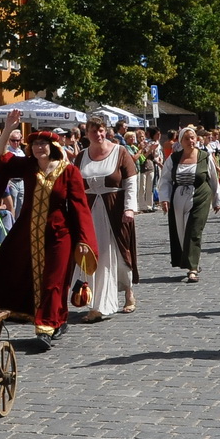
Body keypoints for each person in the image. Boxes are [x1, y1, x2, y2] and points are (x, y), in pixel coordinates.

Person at [0, 112, 98, 349]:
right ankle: (58, 320)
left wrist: (84, 239)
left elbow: (80, 208)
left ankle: (46, 327)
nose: (39, 147)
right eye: (35, 144)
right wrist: (8, 127)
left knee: (54, 281)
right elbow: (0, 157)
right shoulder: (28, 166)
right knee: (16, 274)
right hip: (27, 234)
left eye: (43, 143)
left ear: (53, 146)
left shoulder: (68, 171)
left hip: (61, 235)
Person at [74, 115, 139, 320]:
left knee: (120, 255)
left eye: (101, 130)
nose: (99, 134)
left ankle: (128, 291)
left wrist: (129, 208)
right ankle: (98, 305)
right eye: (94, 131)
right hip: (89, 211)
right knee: (95, 256)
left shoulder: (120, 152)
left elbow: (130, 181)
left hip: (115, 209)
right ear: (87, 134)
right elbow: (75, 186)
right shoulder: (82, 156)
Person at [158, 124, 220, 283]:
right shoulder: (173, 159)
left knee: (194, 230)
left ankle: (192, 268)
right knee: (182, 231)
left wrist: (217, 199)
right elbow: (165, 180)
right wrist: (164, 199)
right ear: (181, 141)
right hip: (179, 198)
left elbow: (213, 179)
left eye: (192, 138)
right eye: (186, 138)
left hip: (200, 196)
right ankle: (189, 260)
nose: (190, 141)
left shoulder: (204, 156)